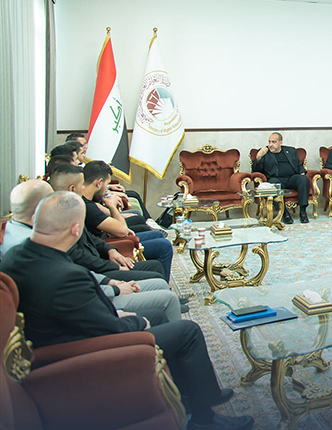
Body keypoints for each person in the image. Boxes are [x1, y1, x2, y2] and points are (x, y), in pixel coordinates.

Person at [0, 192, 253, 430]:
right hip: (87, 351)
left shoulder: (15, 256)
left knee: (159, 315)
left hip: (60, 335)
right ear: (76, 230)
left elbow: (83, 313)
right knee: (188, 331)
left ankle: (186, 393)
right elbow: (110, 328)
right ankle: (203, 418)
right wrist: (136, 322)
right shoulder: (66, 275)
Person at [3, 179, 182, 321]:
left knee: (160, 286)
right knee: (169, 310)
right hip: (91, 309)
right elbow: (75, 290)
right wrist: (116, 291)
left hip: (94, 285)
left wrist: (110, 276)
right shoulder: (38, 245)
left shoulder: (23, 239)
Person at [48, 167, 166, 283]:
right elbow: (78, 256)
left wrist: (110, 250)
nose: (83, 187)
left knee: (155, 266)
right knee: (157, 275)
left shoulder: (71, 208)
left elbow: (89, 237)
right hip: (94, 274)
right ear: (72, 189)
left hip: (100, 260)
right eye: (82, 184)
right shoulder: (60, 218)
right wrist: (114, 267)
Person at [78, 162, 174, 281]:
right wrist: (112, 206)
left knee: (157, 235)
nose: (107, 189)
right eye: (107, 185)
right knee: (164, 246)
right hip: (109, 245)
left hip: (106, 243)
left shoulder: (88, 202)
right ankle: (162, 285)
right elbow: (122, 230)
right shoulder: (86, 206)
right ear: (99, 183)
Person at [252, 132, 311, 224]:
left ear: (280, 142)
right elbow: (255, 171)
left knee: (303, 179)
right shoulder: (264, 152)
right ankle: (284, 213)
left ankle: (303, 212)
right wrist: (258, 157)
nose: (270, 145)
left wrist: (302, 172)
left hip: (291, 178)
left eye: (274, 142)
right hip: (275, 179)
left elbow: (299, 165)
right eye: (269, 142)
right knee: (273, 184)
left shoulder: (290, 151)